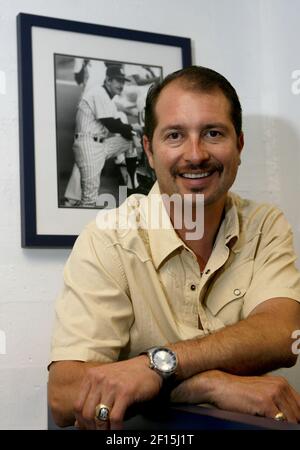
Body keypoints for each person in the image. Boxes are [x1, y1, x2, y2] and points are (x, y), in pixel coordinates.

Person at [48, 66, 300, 429]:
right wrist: (209, 385)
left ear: (239, 145)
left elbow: (283, 336)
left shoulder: (265, 224)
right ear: (149, 150)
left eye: (213, 133)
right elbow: (64, 394)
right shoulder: (109, 237)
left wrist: (156, 368)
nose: (195, 154)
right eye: (175, 136)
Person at [66, 65, 142, 207]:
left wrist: (134, 134)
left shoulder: (108, 97)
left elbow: (119, 124)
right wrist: (133, 128)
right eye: (118, 81)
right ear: (108, 80)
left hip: (100, 145)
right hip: (89, 146)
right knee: (89, 199)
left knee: (129, 141)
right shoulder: (99, 93)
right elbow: (111, 124)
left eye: (123, 81)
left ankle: (132, 185)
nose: (122, 85)